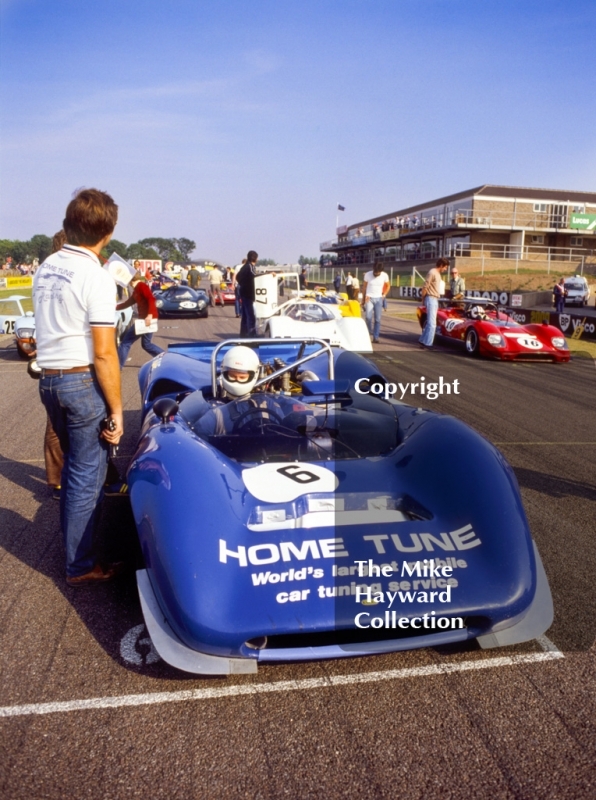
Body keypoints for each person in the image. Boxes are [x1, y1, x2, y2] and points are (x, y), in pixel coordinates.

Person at [34, 188, 125, 586]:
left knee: (75, 471)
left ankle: (76, 555)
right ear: (108, 233)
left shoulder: (47, 265)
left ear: (69, 224)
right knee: (87, 477)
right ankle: (81, 566)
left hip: (49, 381)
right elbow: (105, 354)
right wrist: (118, 412)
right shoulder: (96, 276)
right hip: (80, 379)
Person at [116, 272, 163, 368]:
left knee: (126, 342)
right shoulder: (136, 290)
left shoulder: (141, 286)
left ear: (131, 281)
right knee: (146, 344)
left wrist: (149, 315)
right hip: (145, 320)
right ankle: (165, 357)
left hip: (146, 320)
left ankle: (118, 366)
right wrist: (114, 307)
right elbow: (127, 303)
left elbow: (151, 299)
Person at [419, 258, 449, 350]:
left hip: (435, 298)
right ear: (441, 265)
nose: (446, 269)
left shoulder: (438, 274)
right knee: (432, 324)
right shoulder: (432, 272)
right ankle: (428, 344)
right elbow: (425, 287)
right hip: (431, 298)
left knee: (430, 323)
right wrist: (423, 299)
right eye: (445, 267)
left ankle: (423, 340)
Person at [362, 262, 390, 344]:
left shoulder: (385, 275)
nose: (376, 273)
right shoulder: (367, 275)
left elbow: (388, 286)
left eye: (378, 272)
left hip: (379, 299)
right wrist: (363, 299)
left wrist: (384, 294)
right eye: (375, 271)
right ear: (373, 269)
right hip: (369, 298)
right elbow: (364, 287)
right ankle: (368, 334)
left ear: (381, 271)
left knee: (377, 319)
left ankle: (376, 337)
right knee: (368, 317)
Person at [235, 250, 258, 337]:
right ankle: (252, 335)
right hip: (248, 294)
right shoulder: (250, 267)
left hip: (243, 293)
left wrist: (242, 284)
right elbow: (254, 276)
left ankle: (243, 334)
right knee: (251, 316)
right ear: (255, 258)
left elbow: (237, 276)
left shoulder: (244, 267)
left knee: (244, 316)